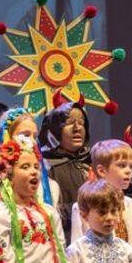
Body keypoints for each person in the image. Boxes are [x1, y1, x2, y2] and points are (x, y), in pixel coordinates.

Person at [39, 98, 91, 238]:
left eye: (81, 123)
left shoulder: (90, 162)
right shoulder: (45, 168)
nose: (77, 127)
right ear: (54, 130)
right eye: (69, 123)